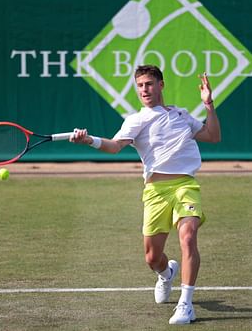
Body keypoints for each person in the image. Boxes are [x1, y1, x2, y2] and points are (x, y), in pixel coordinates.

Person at [70, 65, 221, 325]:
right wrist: (89, 140)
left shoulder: (181, 115)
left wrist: (209, 105)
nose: (144, 90)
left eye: (149, 84)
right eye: (140, 86)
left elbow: (213, 136)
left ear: (161, 85)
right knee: (152, 258)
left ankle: (186, 304)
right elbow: (115, 147)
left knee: (188, 237)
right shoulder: (136, 120)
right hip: (155, 192)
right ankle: (166, 273)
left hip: (186, 185)